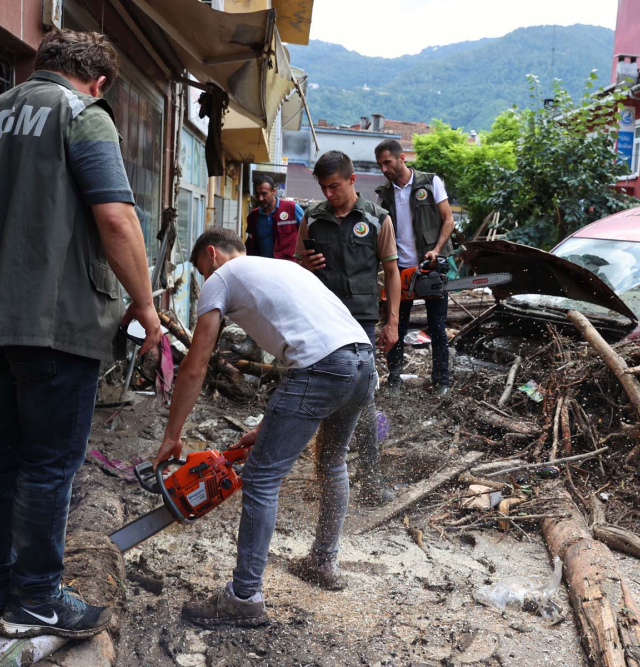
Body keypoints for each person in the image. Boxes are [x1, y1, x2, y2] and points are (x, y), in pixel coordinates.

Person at [0, 29, 160, 639]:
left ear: (41, 64)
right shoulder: (83, 116)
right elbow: (114, 217)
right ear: (99, 81)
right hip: (56, 323)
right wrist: (144, 303)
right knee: (48, 466)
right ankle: (35, 599)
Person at [153, 227, 376, 626]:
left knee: (260, 479)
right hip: (361, 361)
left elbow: (196, 364)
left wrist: (172, 435)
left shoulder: (222, 277)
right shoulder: (280, 268)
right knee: (333, 463)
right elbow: (322, 349)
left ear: (213, 255)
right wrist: (272, 428)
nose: (205, 280)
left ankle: (244, 597)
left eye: (202, 270)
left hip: (321, 367)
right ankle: (324, 562)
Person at [295, 151, 401, 504]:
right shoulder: (311, 219)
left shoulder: (376, 219)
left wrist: (393, 322)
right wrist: (305, 263)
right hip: (320, 318)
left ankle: (370, 481)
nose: (329, 193)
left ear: (353, 181)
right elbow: (297, 268)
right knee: (315, 390)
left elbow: (392, 273)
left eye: (335, 186)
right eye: (323, 187)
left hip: (361, 320)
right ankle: (323, 475)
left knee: (364, 396)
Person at [374, 139, 456, 396]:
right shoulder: (384, 193)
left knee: (437, 326)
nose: (384, 169)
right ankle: (394, 379)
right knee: (395, 325)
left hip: (430, 265)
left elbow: (448, 220)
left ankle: (441, 381)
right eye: (380, 165)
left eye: (387, 162)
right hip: (399, 269)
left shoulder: (431, 182)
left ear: (402, 159)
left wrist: (437, 250)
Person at [244, 174, 304, 260]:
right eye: (257, 194)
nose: (260, 198)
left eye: (264, 194)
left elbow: (308, 233)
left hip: (289, 266)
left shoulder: (292, 208)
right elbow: (250, 242)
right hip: (264, 266)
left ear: (274, 191)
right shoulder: (253, 216)